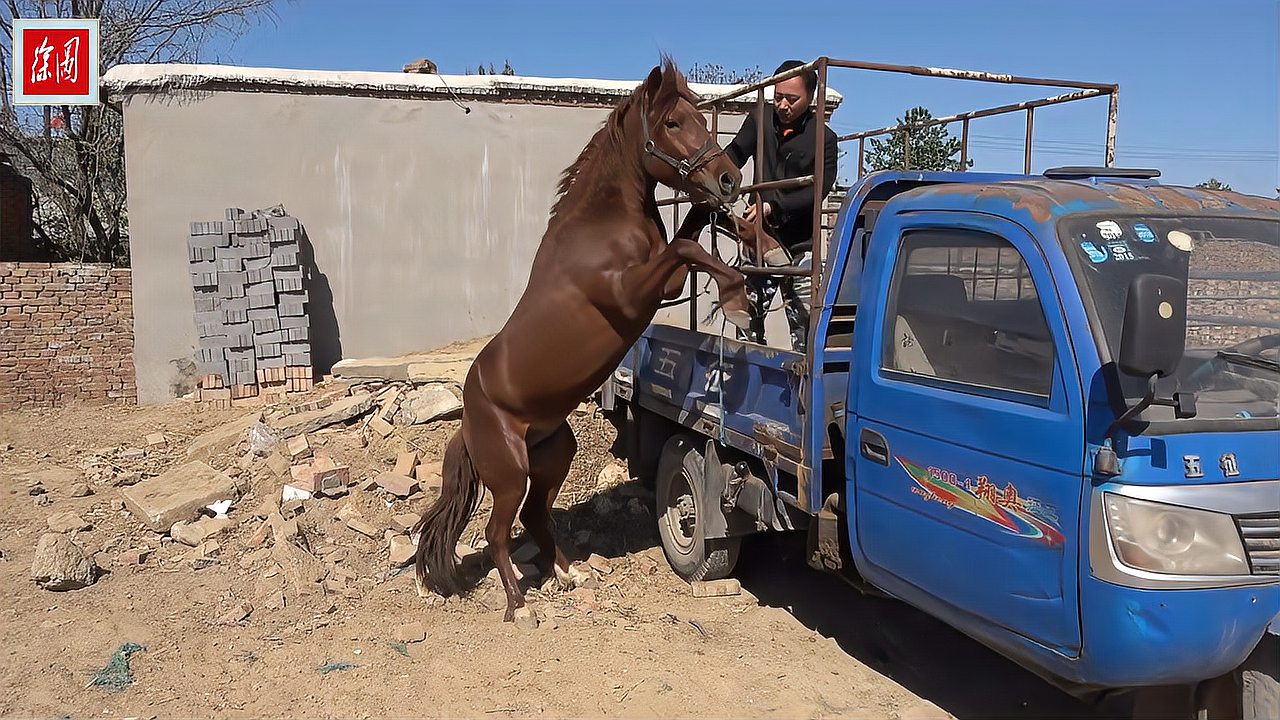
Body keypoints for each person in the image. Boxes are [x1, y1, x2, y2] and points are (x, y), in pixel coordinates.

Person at [683, 60, 838, 351]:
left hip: (801, 245)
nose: (782, 104)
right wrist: (712, 177)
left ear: (811, 98)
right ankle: (750, 383)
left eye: (791, 99)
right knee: (748, 323)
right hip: (756, 241)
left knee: (806, 326)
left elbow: (817, 192)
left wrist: (772, 207)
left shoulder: (824, 139)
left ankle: (803, 387)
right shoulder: (759, 120)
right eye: (777, 96)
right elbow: (735, 153)